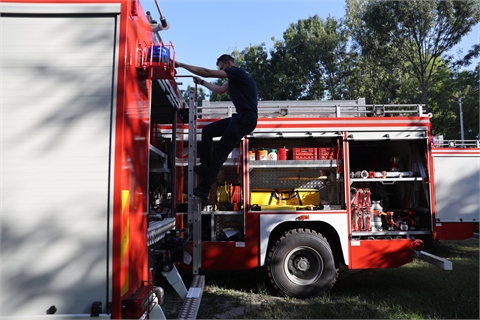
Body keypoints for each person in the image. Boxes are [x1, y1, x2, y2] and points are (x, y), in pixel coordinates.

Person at [175, 54, 258, 201]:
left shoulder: (237, 72)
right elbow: (219, 90)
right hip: (241, 117)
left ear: (228, 63)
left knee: (219, 154)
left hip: (245, 118)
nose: (220, 71)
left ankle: (204, 189)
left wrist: (181, 64)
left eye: (221, 68)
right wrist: (201, 82)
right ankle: (205, 165)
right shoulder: (234, 79)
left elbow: (207, 72)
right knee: (208, 131)